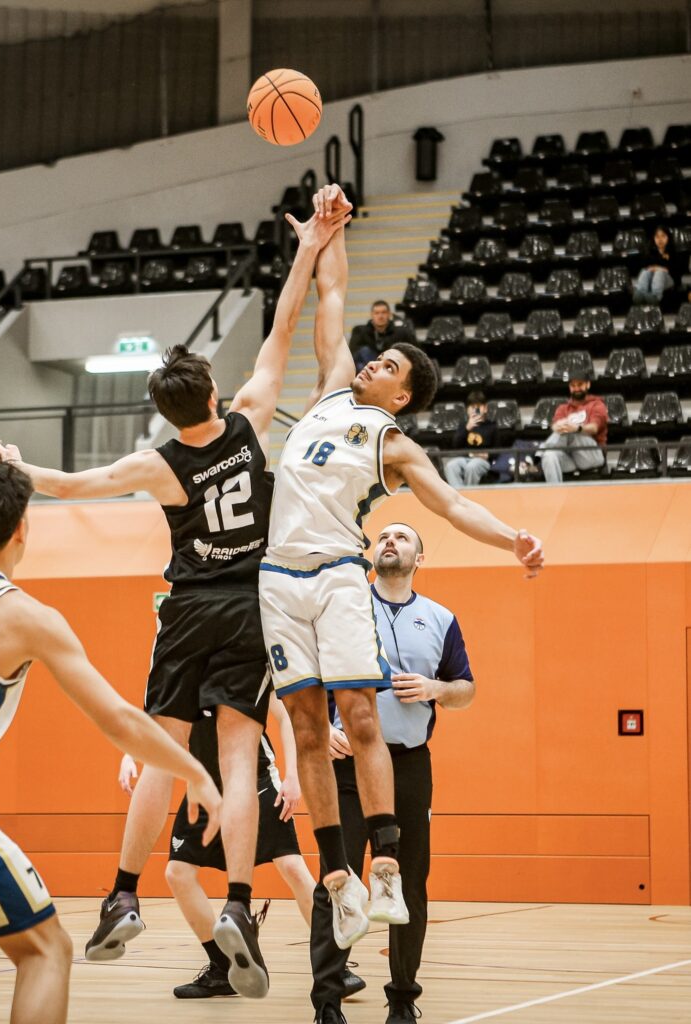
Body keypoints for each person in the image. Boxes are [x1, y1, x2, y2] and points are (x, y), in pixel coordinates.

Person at [0, 204, 350, 1000]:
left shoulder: (157, 466)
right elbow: (284, 325)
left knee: (161, 748)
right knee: (238, 754)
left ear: (168, 414)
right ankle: (240, 902)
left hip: (185, 608)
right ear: (214, 395)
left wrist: (14, 465)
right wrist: (309, 249)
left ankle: (122, 894)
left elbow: (70, 485)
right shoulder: (249, 422)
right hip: (250, 603)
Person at [259, 183, 543, 956]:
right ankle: (337, 878)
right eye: (376, 355)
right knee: (308, 730)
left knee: (358, 718)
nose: (372, 362)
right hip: (276, 577)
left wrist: (510, 538)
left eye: (386, 365)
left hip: (334, 573)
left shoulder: (394, 444)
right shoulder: (329, 387)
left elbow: (451, 506)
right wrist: (330, 228)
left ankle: (383, 861)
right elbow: (332, 293)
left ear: (402, 394)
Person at [0, 460, 221, 1024]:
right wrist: (196, 772)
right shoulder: (25, 615)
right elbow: (119, 720)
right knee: (46, 950)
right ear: (21, 529)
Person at [311, 522, 475, 1024]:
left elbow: (466, 689)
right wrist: (322, 728)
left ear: (419, 559)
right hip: (346, 766)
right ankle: (327, 1002)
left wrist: (436, 689)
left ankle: (402, 998)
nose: (390, 542)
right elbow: (306, 679)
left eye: (403, 538)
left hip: (409, 767)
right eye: (384, 535)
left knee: (409, 882)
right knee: (335, 881)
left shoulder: (441, 618)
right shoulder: (344, 607)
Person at [120, 692, 364, 1000]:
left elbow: (286, 715)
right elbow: (157, 720)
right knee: (177, 873)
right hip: (205, 786)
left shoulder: (245, 667)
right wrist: (130, 755)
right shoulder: (181, 671)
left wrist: (292, 776)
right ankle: (223, 968)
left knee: (291, 865)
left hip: (255, 778)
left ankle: (335, 967)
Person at [537, 379, 608, 483]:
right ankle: (555, 492)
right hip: (570, 458)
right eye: (573, 386)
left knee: (570, 431)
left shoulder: (597, 405)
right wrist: (558, 427)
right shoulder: (563, 408)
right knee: (549, 455)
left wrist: (577, 428)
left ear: (588, 384)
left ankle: (539, 454)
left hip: (592, 455)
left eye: (580, 384)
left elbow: (594, 428)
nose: (576, 388)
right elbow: (555, 427)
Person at [444, 390, 498, 488]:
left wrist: (487, 455)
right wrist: (467, 428)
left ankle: (469, 494)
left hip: (482, 461)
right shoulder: (463, 425)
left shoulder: (492, 426)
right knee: (450, 466)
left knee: (472, 467)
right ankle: (459, 493)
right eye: (472, 407)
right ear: (467, 410)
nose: (475, 410)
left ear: (485, 408)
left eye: (478, 407)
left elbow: (497, 450)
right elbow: (455, 445)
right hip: (465, 458)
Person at [349, 300, 415, 372]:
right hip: (368, 368)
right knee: (364, 351)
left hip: (392, 367)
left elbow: (414, 352)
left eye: (384, 312)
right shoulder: (360, 331)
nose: (380, 316)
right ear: (372, 315)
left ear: (389, 314)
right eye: (377, 313)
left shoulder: (401, 332)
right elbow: (353, 355)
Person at [632, 225, 684, 305]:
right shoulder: (650, 252)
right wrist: (656, 268)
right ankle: (639, 293)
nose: (660, 240)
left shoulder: (673, 252)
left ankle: (656, 296)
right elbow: (646, 267)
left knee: (659, 273)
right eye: (657, 237)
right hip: (651, 279)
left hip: (669, 280)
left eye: (663, 236)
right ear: (654, 238)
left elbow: (676, 272)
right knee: (645, 272)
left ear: (668, 238)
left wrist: (659, 269)